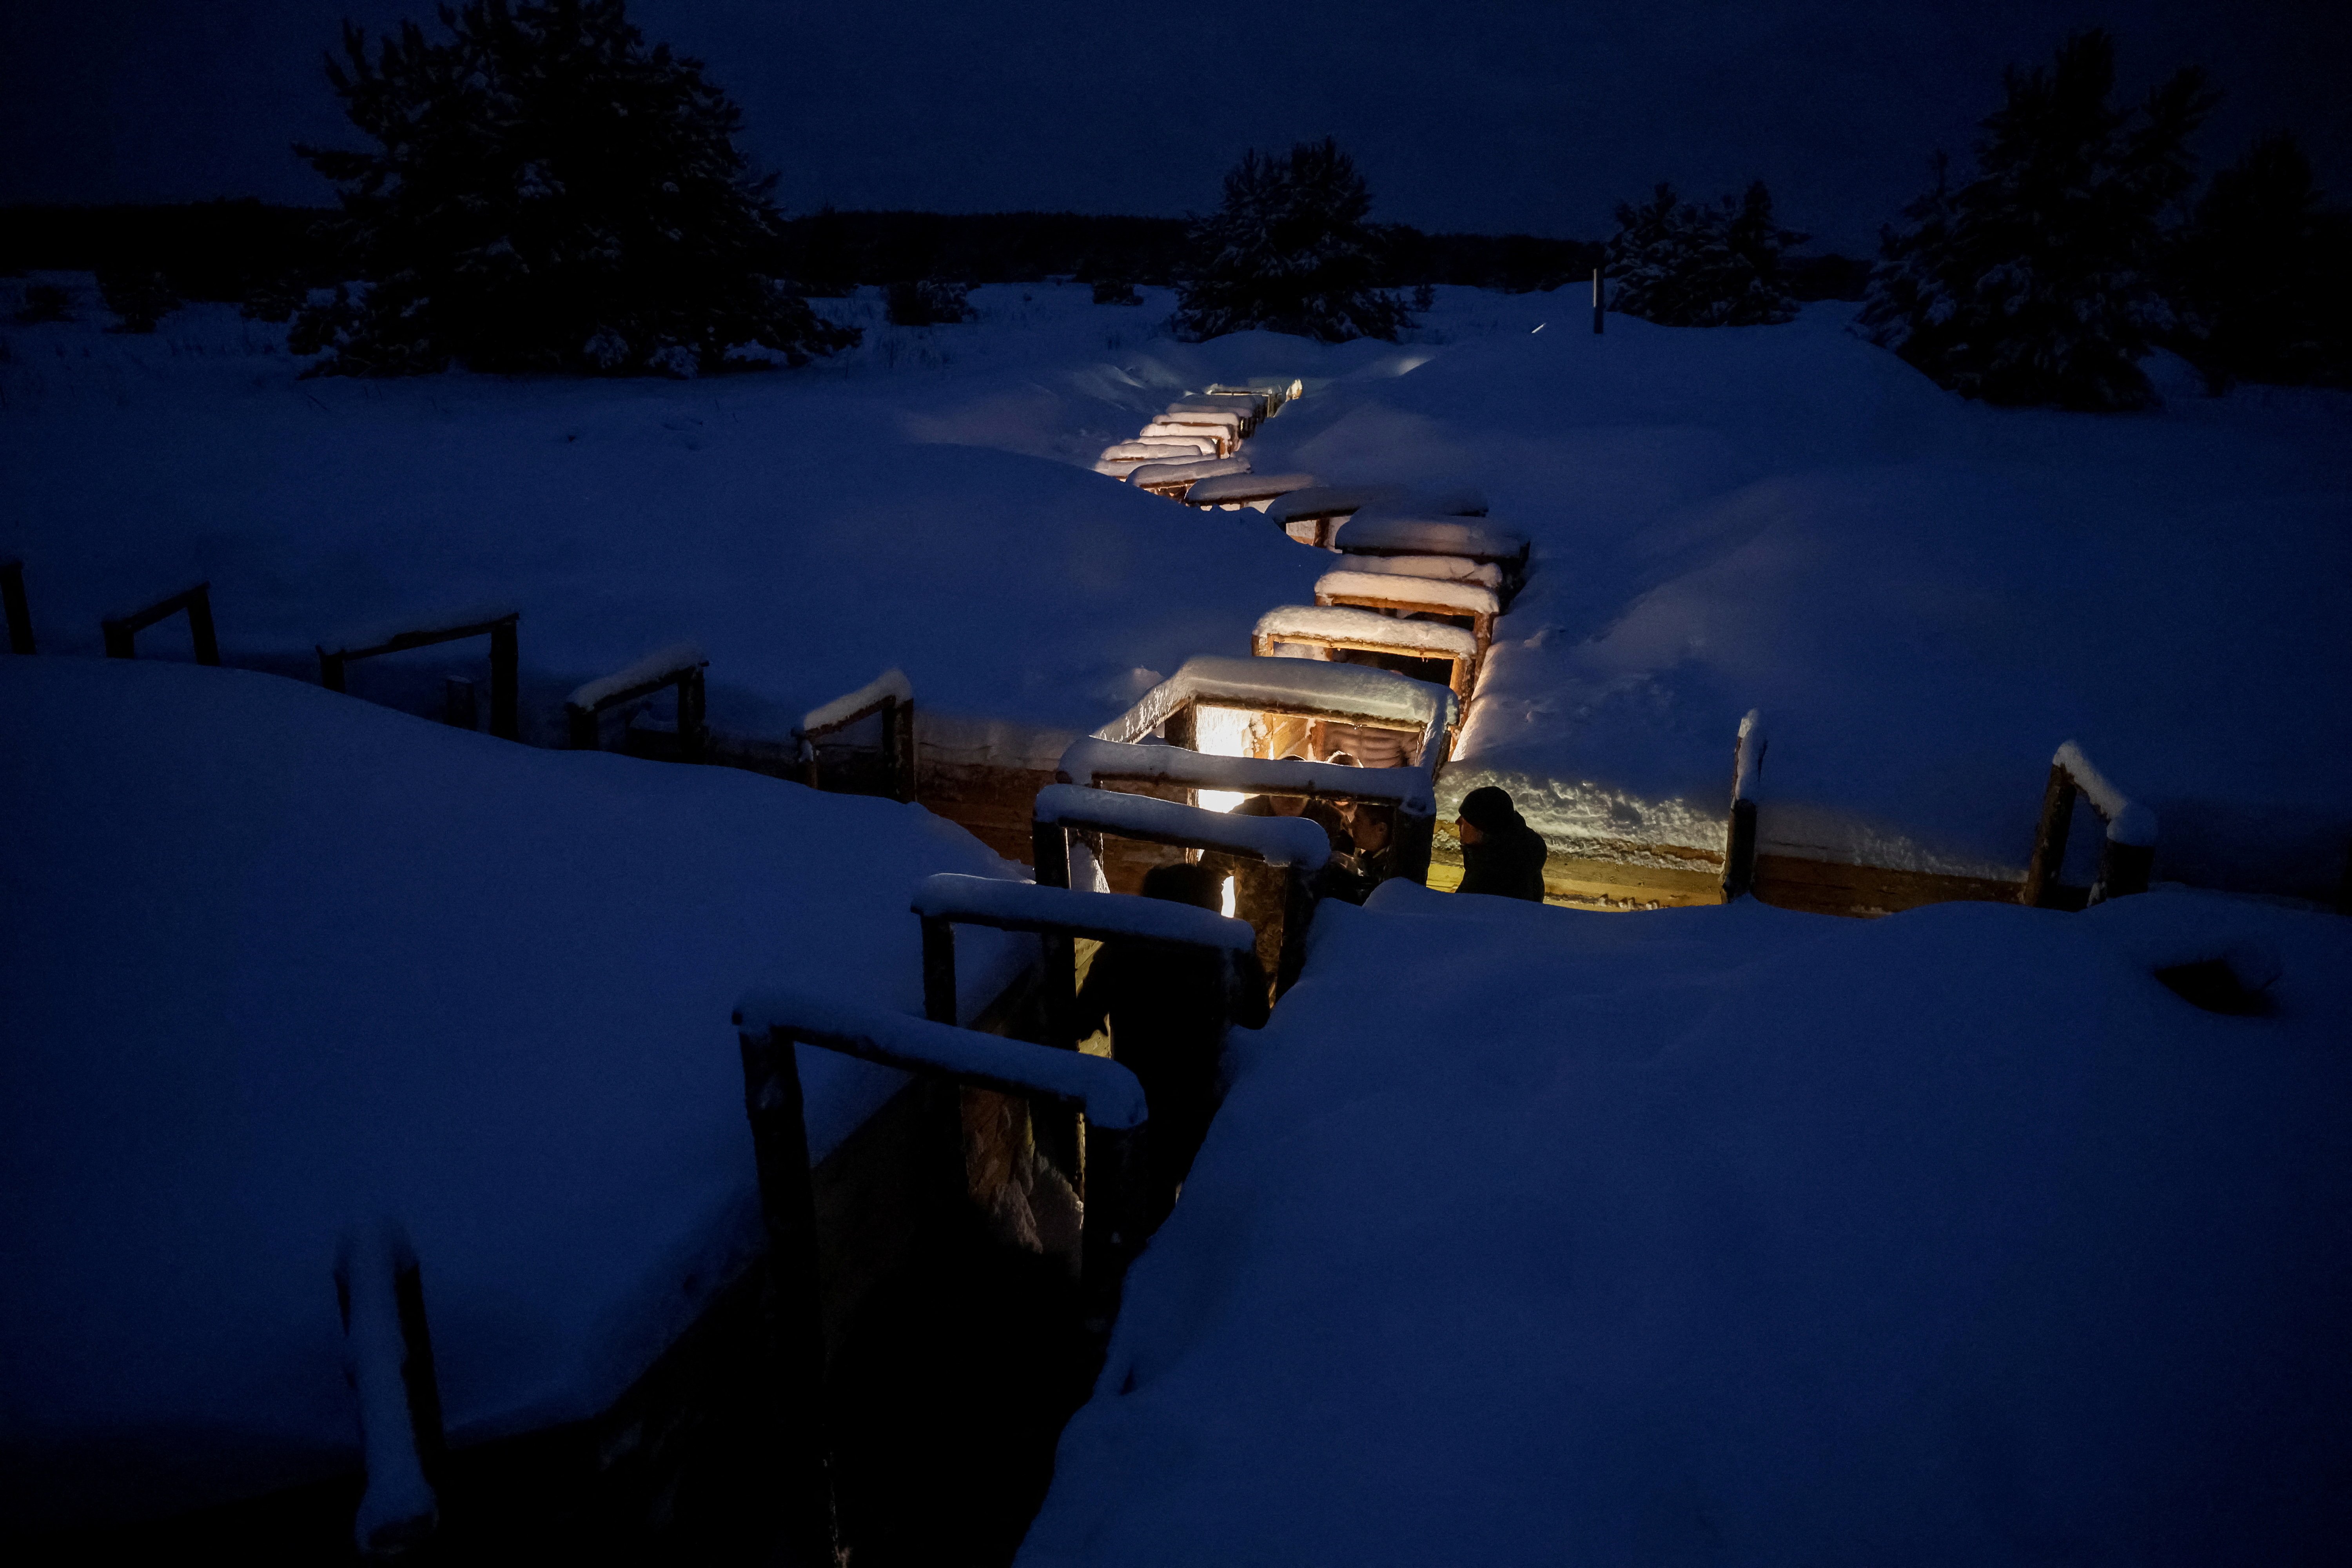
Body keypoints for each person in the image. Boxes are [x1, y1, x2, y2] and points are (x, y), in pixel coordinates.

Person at [1074, 862, 1263, 1212]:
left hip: (1143, 1103)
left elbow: (1081, 1018)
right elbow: (1259, 1031)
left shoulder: (1126, 948)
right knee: (1206, 1212)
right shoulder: (1234, 953)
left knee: (1146, 1209)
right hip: (1210, 1106)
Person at [1455, 785, 1548, 902]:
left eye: (1465, 820)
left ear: (1482, 830)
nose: (1457, 822)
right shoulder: (1521, 856)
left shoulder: (1489, 882)